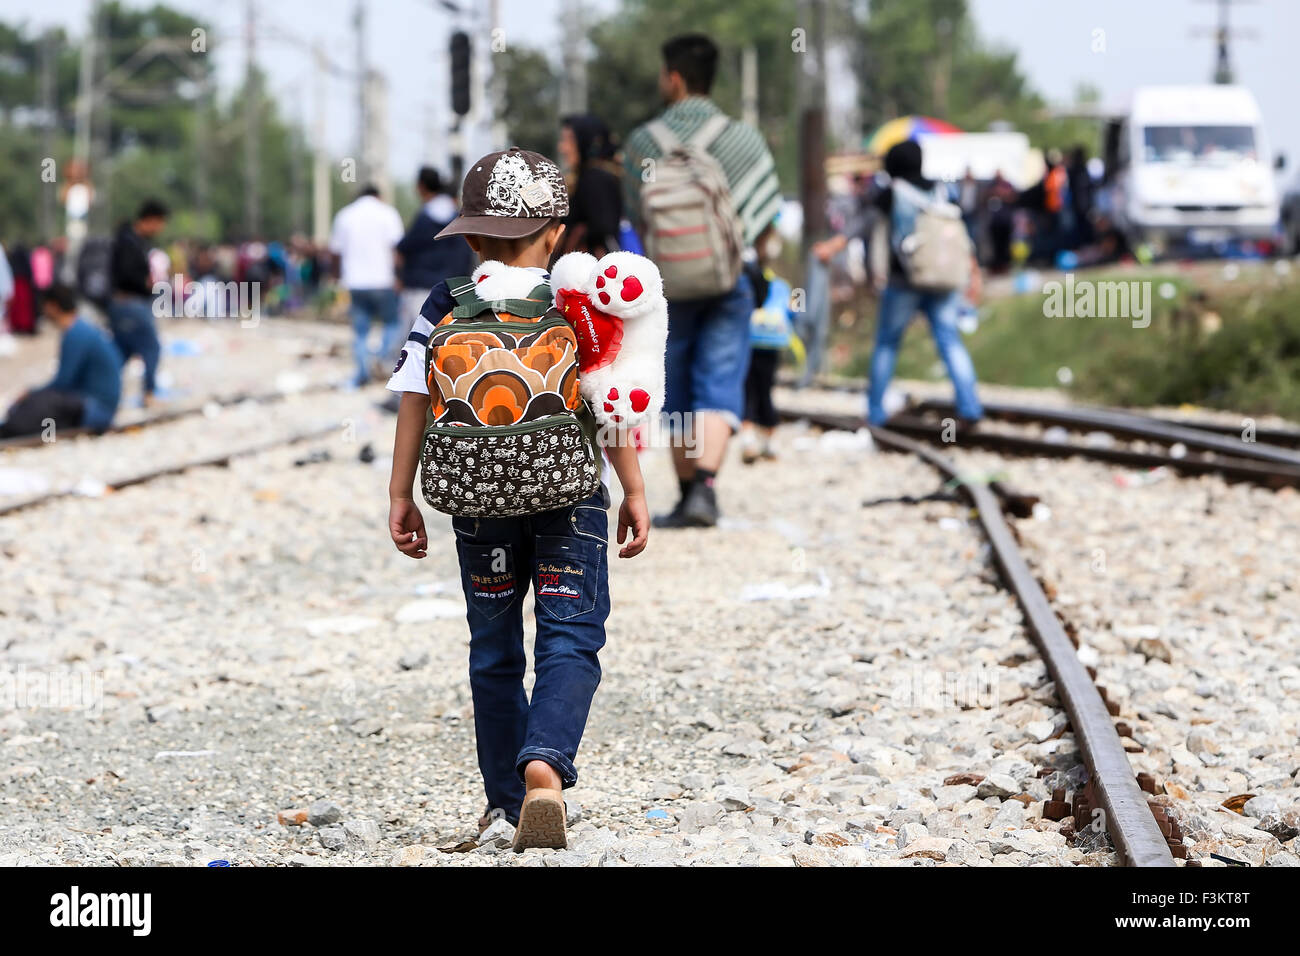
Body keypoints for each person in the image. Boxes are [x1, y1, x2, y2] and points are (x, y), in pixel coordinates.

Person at [385, 147, 650, 850]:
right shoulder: (577, 302)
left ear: (471, 238)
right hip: (571, 496)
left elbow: (414, 397)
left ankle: (504, 803)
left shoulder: (448, 300)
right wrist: (635, 490)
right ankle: (545, 769)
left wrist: (401, 494)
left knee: (494, 648)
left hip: (477, 503)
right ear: (556, 233)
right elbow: (610, 399)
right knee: (570, 634)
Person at [622, 33, 782, 528]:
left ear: (673, 77)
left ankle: (687, 489)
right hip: (725, 279)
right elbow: (764, 216)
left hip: (669, 284)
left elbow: (637, 218)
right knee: (720, 378)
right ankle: (707, 492)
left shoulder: (644, 141)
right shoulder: (742, 138)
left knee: (676, 387)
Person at [861, 140, 983, 425]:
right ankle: (970, 407)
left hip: (904, 281)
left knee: (887, 344)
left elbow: (879, 236)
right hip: (944, 280)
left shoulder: (892, 193)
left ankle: (875, 412)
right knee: (950, 342)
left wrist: (875, 275)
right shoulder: (942, 190)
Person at [0, 283, 121, 438]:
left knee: (42, 401)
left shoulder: (75, 334)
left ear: (53, 306)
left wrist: (30, 394)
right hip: (99, 405)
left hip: (95, 409)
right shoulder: (82, 328)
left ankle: (10, 430)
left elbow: (62, 383)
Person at [328, 184, 405, 385]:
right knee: (392, 324)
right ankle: (381, 358)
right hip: (383, 281)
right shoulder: (387, 213)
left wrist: (336, 277)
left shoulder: (345, 215)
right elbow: (397, 249)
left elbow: (335, 251)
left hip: (355, 282)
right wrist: (400, 276)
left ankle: (363, 373)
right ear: (378, 195)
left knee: (361, 331)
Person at [396, 166, 477, 334]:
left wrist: (399, 277)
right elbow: (466, 256)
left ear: (421, 186)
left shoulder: (423, 218)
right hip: (452, 291)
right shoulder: (459, 220)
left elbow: (404, 249)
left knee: (416, 341)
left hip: (419, 289)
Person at [739, 226, 796, 464]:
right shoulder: (784, 286)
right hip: (772, 346)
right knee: (765, 392)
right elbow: (795, 313)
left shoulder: (747, 282)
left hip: (751, 344)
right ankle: (766, 442)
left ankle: (750, 439)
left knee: (749, 391)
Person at [108, 199, 168, 404]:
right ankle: (149, 394)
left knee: (121, 351)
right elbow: (125, 274)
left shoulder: (133, 240)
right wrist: (146, 283)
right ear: (151, 220)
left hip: (123, 304)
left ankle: (103, 390)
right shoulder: (129, 241)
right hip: (129, 303)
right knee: (152, 347)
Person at [556, 115, 623, 258]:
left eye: (568, 140)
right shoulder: (588, 176)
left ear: (585, 142)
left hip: (589, 271)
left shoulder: (595, 179)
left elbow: (603, 227)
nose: (562, 147)